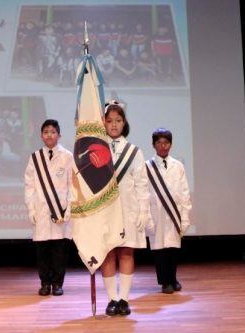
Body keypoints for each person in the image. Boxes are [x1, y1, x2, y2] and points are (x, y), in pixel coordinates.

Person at [100, 100, 151, 316]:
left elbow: (141, 184)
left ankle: (124, 300)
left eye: (118, 121)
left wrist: (143, 211)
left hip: (128, 210)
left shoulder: (134, 151)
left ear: (124, 123)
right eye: (109, 120)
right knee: (108, 253)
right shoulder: (95, 149)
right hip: (104, 211)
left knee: (126, 252)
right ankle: (112, 299)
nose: (113, 125)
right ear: (103, 122)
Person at [24, 119, 73, 296]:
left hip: (61, 212)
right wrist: (31, 209)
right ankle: (45, 283)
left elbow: (73, 185)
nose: (49, 135)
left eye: (53, 132)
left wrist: (69, 209)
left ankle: (58, 283)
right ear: (41, 135)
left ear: (59, 135)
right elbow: (29, 185)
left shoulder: (67, 156)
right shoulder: (35, 157)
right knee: (43, 251)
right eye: (46, 132)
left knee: (60, 251)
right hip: (42, 211)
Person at [145, 128, 192, 294]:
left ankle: (173, 278)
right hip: (156, 213)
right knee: (160, 250)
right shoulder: (146, 167)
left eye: (166, 142)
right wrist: (147, 218)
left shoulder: (178, 166)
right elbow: (144, 194)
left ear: (170, 144)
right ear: (153, 145)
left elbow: (184, 192)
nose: (163, 146)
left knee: (173, 249)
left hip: (174, 214)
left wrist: (185, 216)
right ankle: (164, 282)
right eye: (159, 142)